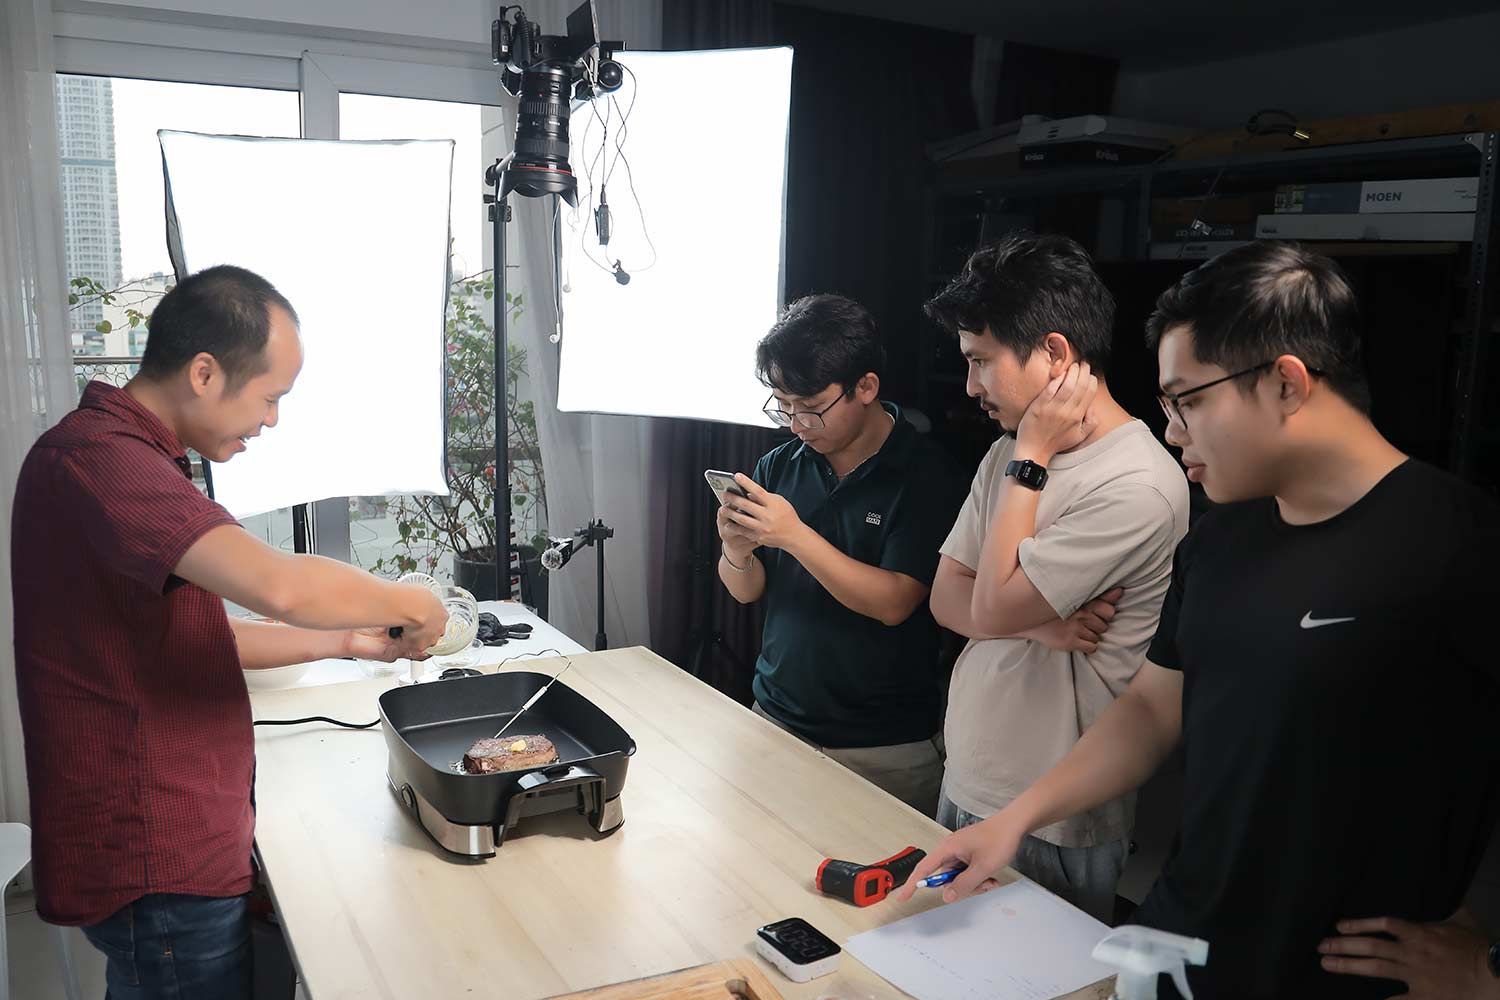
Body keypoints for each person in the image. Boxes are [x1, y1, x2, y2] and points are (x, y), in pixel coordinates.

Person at [902, 241, 1500, 1000]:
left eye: (1188, 401)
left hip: (1340, 971)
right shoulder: (1220, 540)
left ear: (1286, 383)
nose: (1174, 431)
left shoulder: (1458, 545)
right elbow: (1153, 709)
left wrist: (1487, 970)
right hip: (1184, 940)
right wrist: (1014, 820)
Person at [11, 265, 451, 999]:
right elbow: (279, 584)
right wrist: (413, 598)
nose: (271, 421)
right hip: (154, 846)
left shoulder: (128, 457)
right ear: (206, 373)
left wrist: (345, 643)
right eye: (270, 398)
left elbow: (194, 635)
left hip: (173, 836)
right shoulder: (103, 463)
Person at [921, 233, 1189, 922]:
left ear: (1056, 354)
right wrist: (1038, 621)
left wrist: (1033, 459)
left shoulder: (1136, 482)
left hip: (1052, 810)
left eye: (982, 362)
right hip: (971, 771)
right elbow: (947, 596)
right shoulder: (1007, 455)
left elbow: (986, 598)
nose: (971, 386)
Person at [716, 294, 963, 815]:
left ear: (866, 387)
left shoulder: (925, 474)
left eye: (810, 408)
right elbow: (746, 589)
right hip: (775, 718)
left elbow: (896, 601)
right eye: (783, 408)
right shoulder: (780, 464)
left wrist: (794, 535)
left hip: (884, 746)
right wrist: (736, 551)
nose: (796, 424)